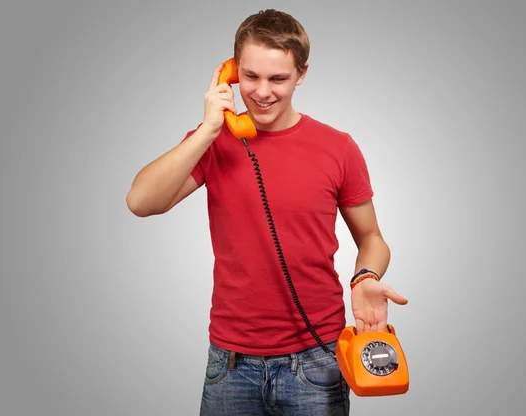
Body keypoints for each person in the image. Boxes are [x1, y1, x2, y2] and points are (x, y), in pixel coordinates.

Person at [126, 8, 408, 416]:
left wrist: (365, 276)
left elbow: (371, 238)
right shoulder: (213, 143)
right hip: (231, 363)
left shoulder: (338, 147)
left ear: (301, 74)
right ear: (231, 73)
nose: (261, 92)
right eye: (250, 77)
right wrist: (208, 129)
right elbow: (140, 202)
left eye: (278, 78)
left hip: (317, 361)